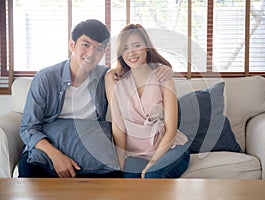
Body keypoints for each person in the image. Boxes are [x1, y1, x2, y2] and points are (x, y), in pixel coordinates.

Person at [19, 19, 173, 178]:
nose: (91, 54)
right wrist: (56, 156)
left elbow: (134, 70)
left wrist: (165, 69)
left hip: (91, 145)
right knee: (29, 170)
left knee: (113, 178)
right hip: (51, 145)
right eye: (85, 45)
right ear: (72, 45)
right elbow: (28, 128)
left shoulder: (106, 77)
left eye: (99, 48)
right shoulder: (46, 78)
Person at [105, 24, 190, 178]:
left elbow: (171, 130)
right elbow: (118, 128)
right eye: (125, 48)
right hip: (136, 154)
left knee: (152, 176)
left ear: (147, 48)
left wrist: (152, 164)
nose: (131, 52)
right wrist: (120, 167)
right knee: (128, 185)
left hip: (170, 148)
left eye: (137, 45)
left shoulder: (163, 77)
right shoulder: (113, 80)